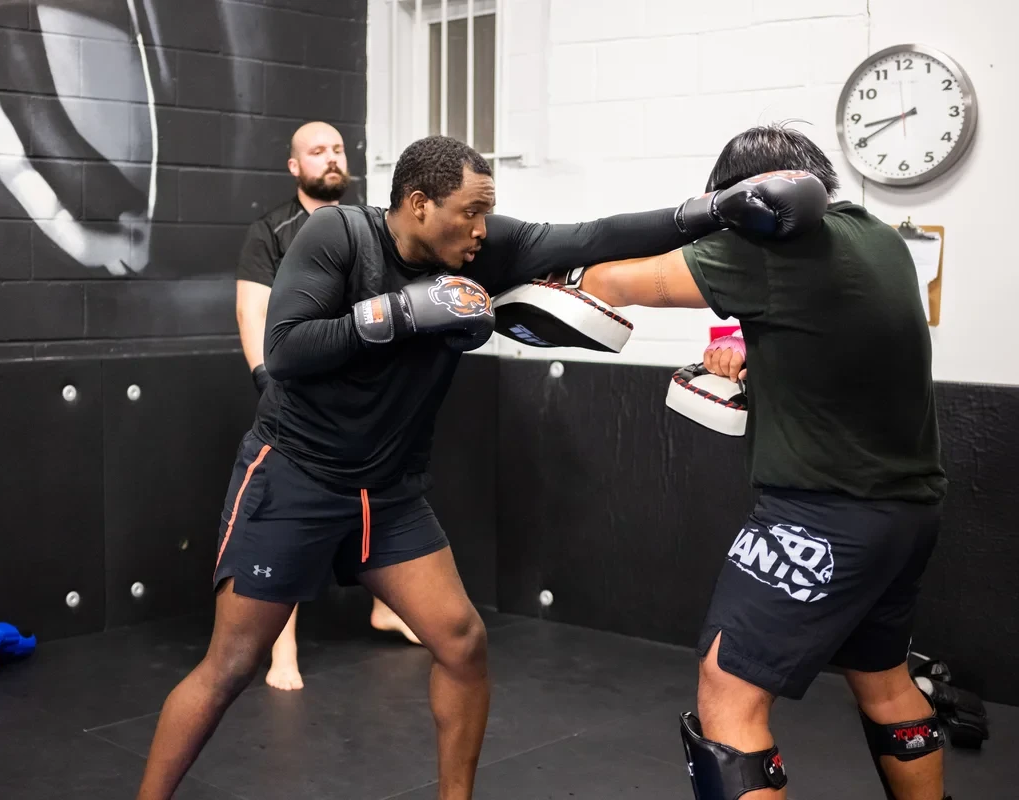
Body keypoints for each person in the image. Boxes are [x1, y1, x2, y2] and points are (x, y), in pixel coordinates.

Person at [135, 134, 823, 800]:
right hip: (296, 478)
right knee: (231, 666)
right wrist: (401, 312)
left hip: (392, 493)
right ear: (418, 204)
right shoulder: (339, 238)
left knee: (462, 643)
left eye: (487, 212)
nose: (481, 229)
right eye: (470, 211)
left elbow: (594, 235)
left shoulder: (482, 250)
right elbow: (284, 351)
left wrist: (711, 211)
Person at [544, 125, 949, 800]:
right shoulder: (878, 240)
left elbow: (626, 281)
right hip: (905, 517)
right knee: (884, 680)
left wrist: (549, 269)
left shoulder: (775, 247)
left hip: (822, 518)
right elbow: (834, 350)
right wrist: (756, 361)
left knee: (727, 696)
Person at [234, 120, 420, 693]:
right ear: (295, 166)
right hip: (298, 406)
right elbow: (252, 311)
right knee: (291, 526)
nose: (331, 159)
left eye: (337, 149)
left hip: (362, 406)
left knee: (379, 504)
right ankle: (281, 650)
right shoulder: (272, 231)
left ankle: (386, 606)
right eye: (317, 152)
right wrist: (268, 378)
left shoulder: (366, 225)